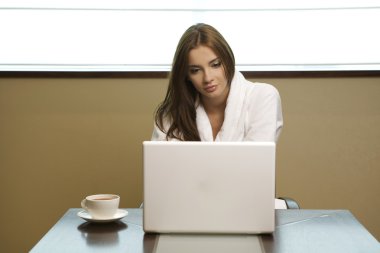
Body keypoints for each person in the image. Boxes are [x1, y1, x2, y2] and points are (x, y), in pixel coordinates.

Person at [152, 23, 283, 142]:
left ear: (228, 60)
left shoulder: (263, 97)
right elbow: (161, 166)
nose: (208, 78)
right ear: (186, 75)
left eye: (215, 65)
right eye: (195, 70)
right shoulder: (170, 114)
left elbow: (257, 161)